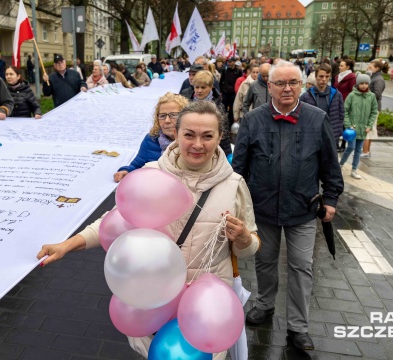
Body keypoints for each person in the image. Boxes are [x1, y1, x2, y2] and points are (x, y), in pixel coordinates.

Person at [38, 100, 260, 360]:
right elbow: (113, 223)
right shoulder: (151, 174)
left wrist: (244, 238)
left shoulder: (234, 184)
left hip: (206, 311)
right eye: (189, 134)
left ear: (220, 137)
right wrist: (67, 245)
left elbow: (251, 246)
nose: (197, 144)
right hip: (152, 302)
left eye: (207, 136)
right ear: (175, 134)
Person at [233, 61, 343, 351]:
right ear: (268, 87)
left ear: (301, 85)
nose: (287, 88)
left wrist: (331, 198)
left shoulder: (317, 119)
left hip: (303, 209)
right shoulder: (253, 120)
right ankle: (264, 304)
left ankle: (298, 327)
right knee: (265, 261)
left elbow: (330, 164)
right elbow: (239, 167)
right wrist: (234, 202)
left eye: (293, 82)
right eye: (280, 83)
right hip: (263, 209)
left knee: (301, 267)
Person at [113, 92, 188, 182]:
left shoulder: (193, 142)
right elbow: (137, 165)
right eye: (162, 116)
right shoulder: (151, 140)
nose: (167, 120)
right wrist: (126, 171)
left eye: (173, 115)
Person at [180, 70, 233, 158]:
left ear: (211, 87)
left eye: (203, 87)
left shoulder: (219, 105)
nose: (199, 91)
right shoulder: (186, 101)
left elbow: (224, 132)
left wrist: (227, 153)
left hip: (210, 150)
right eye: (197, 87)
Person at [340, 73, 378, 179]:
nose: (364, 86)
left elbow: (374, 112)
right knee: (351, 147)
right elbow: (345, 110)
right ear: (358, 84)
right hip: (353, 128)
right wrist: (348, 124)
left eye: (366, 83)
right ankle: (340, 165)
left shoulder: (371, 96)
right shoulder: (352, 95)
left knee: (358, 149)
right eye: (362, 83)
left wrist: (369, 125)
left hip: (364, 128)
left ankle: (354, 169)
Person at [299, 63, 345, 146]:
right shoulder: (306, 96)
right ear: (316, 77)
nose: (324, 79)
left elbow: (341, 114)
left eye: (327, 76)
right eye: (321, 76)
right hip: (311, 137)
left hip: (331, 135)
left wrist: (338, 131)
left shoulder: (336, 95)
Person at [362, 59, 389, 158]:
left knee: (368, 129)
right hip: (370, 106)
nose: (368, 68)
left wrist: (364, 94)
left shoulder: (378, 79)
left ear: (376, 68)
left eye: (370, 67)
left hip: (372, 107)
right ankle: (366, 151)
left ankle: (365, 152)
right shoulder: (374, 77)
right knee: (369, 129)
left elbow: (377, 94)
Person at [333, 59, 356, 152]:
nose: (339, 67)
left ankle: (343, 144)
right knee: (336, 123)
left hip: (346, 103)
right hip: (336, 102)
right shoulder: (337, 77)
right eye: (340, 65)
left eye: (342, 65)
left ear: (348, 67)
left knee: (345, 124)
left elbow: (353, 91)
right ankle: (336, 143)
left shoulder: (352, 77)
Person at [220, 57, 242, 125]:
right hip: (225, 92)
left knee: (232, 109)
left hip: (233, 93)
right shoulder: (225, 70)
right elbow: (221, 81)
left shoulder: (238, 71)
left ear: (234, 62)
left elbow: (240, 81)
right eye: (228, 62)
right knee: (223, 108)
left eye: (230, 62)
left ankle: (231, 124)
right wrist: (221, 91)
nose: (229, 63)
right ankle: (223, 123)